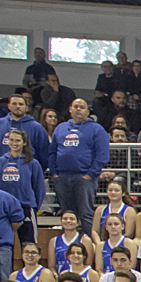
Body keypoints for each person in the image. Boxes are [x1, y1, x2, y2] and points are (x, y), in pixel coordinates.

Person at [51, 97, 111, 230]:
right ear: (70, 110)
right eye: (76, 106)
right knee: (67, 215)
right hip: (62, 177)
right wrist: (55, 173)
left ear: (88, 112)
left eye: (82, 107)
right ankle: (70, 245)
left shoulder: (97, 129)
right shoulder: (60, 128)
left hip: (85, 177)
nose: (78, 109)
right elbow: (52, 152)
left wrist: (90, 174)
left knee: (85, 214)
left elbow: (102, 155)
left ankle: (88, 246)